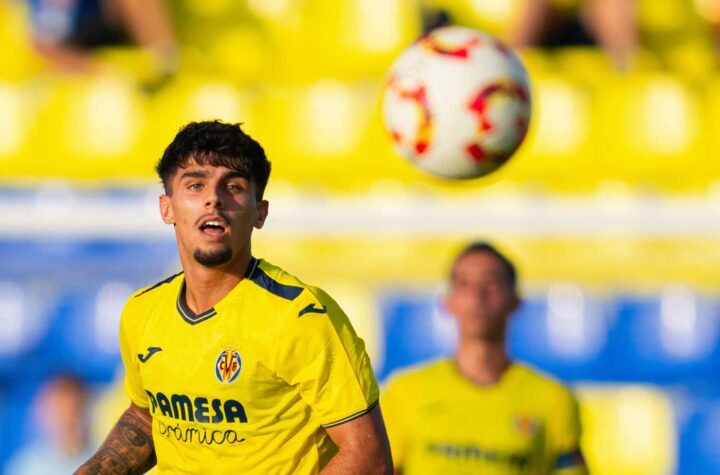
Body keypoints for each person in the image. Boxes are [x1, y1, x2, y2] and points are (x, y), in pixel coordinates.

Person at [75, 121, 393, 474]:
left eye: (234, 186)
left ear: (260, 212)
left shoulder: (301, 317)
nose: (214, 198)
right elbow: (148, 416)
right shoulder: (142, 310)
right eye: (196, 185)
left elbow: (369, 458)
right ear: (167, 208)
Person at [381, 242, 587, 474]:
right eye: (463, 284)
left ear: (515, 301)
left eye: (490, 283)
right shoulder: (405, 391)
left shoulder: (554, 398)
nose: (477, 296)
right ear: (448, 302)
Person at [6, 374, 96, 475]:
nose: (63, 419)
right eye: (56, 410)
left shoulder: (103, 460)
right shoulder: (26, 465)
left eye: (70, 410)